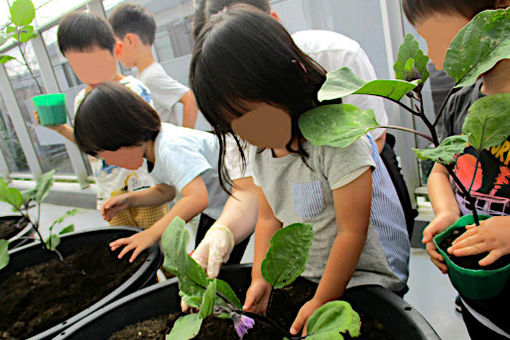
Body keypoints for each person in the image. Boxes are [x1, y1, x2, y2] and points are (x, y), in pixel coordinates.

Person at [189, 6, 410, 336]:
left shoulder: (336, 139)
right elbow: (268, 218)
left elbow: (352, 231)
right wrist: (262, 279)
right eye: (232, 123)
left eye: (250, 114)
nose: (246, 133)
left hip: (367, 277)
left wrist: (323, 300)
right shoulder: (259, 148)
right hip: (314, 274)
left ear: (290, 76)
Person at [402, 0, 510, 338]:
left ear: (497, 12)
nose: (433, 57)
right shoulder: (461, 99)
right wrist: (446, 212)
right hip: (479, 299)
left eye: (439, 38)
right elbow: (440, 170)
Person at [73, 81, 249, 266]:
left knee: (213, 268)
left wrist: (151, 233)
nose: (108, 162)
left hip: (243, 200)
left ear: (122, 133)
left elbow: (197, 198)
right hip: (221, 206)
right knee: (207, 266)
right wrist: (130, 200)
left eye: (105, 154)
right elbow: (166, 191)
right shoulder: (149, 151)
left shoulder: (169, 147)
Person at [35, 11, 161, 227]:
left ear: (116, 51)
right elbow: (92, 145)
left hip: (145, 189)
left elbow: (152, 136)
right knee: (127, 250)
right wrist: (59, 128)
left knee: (158, 245)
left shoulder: (132, 90)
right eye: (78, 65)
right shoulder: (81, 100)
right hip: (109, 194)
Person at [108, 3, 199, 128]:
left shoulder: (151, 77)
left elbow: (189, 99)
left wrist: (185, 140)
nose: (116, 53)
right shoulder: (144, 75)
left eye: (117, 46)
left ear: (130, 41)